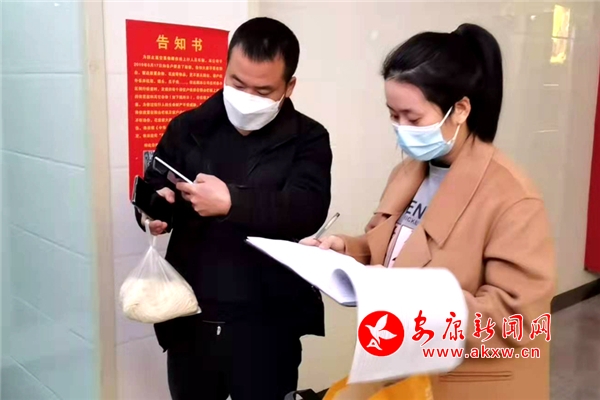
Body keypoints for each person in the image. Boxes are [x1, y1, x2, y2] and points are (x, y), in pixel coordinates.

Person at [303, 24, 555, 400]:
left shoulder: (511, 197)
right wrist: (344, 251)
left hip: (463, 385)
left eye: (412, 117)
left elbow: (515, 321)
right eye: (393, 115)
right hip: (400, 369)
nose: (401, 129)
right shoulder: (408, 173)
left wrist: (404, 296)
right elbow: (393, 251)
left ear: (460, 110)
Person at [136, 17, 332, 400]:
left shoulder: (308, 138)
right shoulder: (188, 127)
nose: (247, 97)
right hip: (190, 316)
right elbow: (158, 184)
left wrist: (232, 202)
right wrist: (154, 211)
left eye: (263, 90)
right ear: (225, 70)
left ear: (289, 86)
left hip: (267, 324)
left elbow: (307, 210)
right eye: (238, 84)